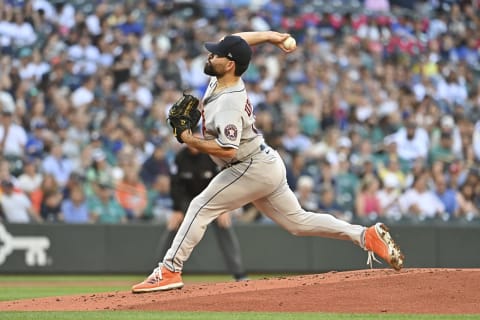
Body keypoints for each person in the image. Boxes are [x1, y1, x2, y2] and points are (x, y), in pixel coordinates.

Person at [132, 31, 404, 293]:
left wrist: (190, 140)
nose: (209, 56)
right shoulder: (222, 77)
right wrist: (273, 36)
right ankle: (365, 236)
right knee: (298, 222)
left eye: (215, 55)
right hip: (264, 162)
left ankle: (169, 270)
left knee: (200, 206)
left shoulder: (228, 102)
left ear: (229, 64)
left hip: (248, 165)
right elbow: (238, 40)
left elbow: (228, 150)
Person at [158, 135, 248, 281]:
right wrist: (177, 209)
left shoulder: (211, 156)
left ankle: (239, 273)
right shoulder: (180, 158)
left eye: (197, 139)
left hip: (210, 198)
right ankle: (161, 271)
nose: (194, 143)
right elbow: (175, 185)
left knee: (225, 226)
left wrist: (223, 207)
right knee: (173, 226)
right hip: (187, 200)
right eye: (190, 139)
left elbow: (222, 180)